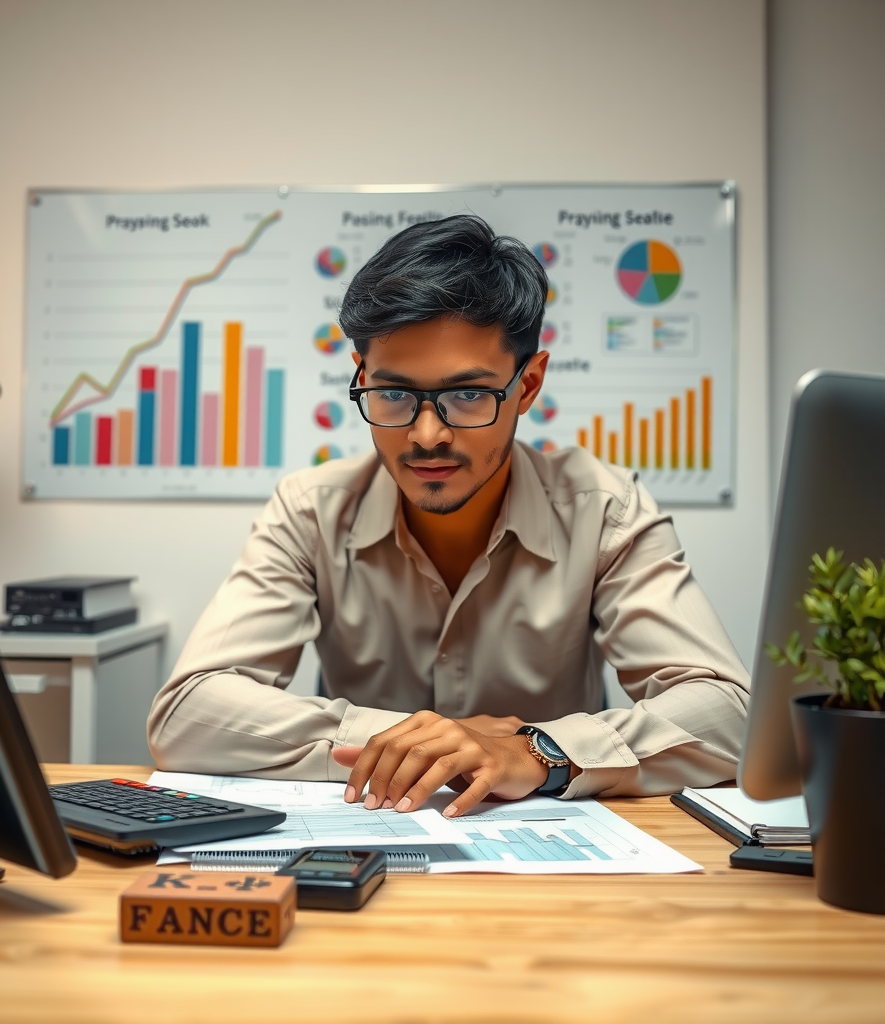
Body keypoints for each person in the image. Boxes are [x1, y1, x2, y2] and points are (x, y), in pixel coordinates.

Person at [148, 215, 749, 818]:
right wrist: (432, 740)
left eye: (468, 395)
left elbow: (730, 713)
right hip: (366, 847)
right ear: (361, 377)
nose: (426, 434)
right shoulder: (311, 508)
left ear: (529, 384)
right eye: (394, 394)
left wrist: (540, 753)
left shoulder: (605, 510)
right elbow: (188, 713)